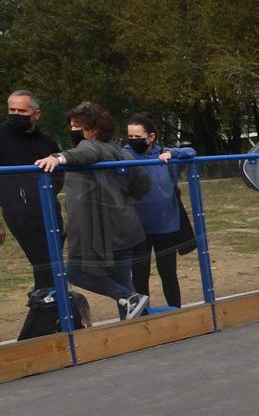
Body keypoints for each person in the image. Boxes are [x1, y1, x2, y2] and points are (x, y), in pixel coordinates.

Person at [31, 102, 150, 320]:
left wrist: (57, 158)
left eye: (77, 126)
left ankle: (130, 301)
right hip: (125, 229)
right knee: (124, 284)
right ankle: (135, 323)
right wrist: (123, 200)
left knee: (77, 272)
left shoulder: (91, 146)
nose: (73, 130)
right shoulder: (121, 152)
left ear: (93, 129)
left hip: (104, 231)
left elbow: (83, 153)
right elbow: (142, 184)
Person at [121, 114, 194, 311]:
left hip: (166, 225)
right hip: (138, 229)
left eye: (138, 136)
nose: (133, 140)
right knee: (139, 275)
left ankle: (175, 309)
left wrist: (173, 155)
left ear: (151, 137)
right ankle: (142, 314)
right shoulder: (124, 155)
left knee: (168, 273)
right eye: (130, 136)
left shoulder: (163, 153)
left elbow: (191, 151)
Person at [0, 90, 63, 297]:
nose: (16, 114)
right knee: (44, 265)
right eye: (12, 110)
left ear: (36, 114)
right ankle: (43, 313)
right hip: (19, 214)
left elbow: (58, 178)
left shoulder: (46, 142)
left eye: (22, 110)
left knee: (53, 267)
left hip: (49, 211)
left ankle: (48, 311)